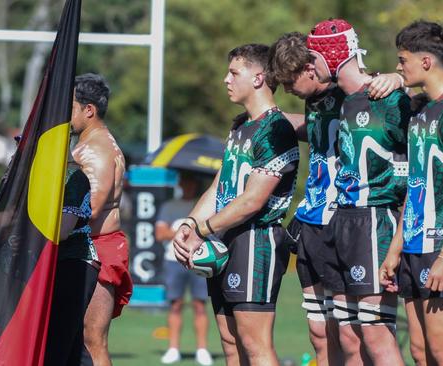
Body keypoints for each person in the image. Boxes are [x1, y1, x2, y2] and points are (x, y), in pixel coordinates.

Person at [266, 31, 404, 366]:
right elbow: (314, 129)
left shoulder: (360, 91)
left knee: (361, 334)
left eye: (289, 82)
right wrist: (264, 119)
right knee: (323, 332)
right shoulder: (314, 99)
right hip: (314, 221)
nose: (286, 90)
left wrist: (398, 78)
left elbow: (413, 105)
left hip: (351, 218)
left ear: (310, 70)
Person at [173, 44, 299, 366]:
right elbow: (219, 187)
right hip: (225, 237)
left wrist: (203, 229)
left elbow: (252, 200)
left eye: (233, 72)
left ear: (258, 78)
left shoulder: (276, 129)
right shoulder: (240, 126)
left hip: (257, 240)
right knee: (230, 343)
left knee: (254, 343)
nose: (225, 79)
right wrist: (188, 224)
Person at [305, 19, 410, 365]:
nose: (310, 66)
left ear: (331, 56)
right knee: (350, 338)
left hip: (374, 218)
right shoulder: (340, 100)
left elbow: (431, 118)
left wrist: (401, 79)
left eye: (313, 58)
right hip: (343, 220)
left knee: (377, 335)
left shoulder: (387, 97)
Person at [380, 20, 443, 365]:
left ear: (426, 62)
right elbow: (416, 186)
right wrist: (396, 249)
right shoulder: (422, 110)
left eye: (403, 59)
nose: (399, 67)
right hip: (413, 245)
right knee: (421, 352)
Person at [71, 73, 133, 366]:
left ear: (89, 110)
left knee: (91, 338)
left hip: (98, 248)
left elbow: (89, 209)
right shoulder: (91, 144)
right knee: (76, 339)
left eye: (69, 107)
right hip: (89, 247)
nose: (64, 115)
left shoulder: (95, 149)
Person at [45, 161, 100, 366]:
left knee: (58, 347)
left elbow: (62, 231)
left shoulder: (74, 177)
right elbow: (8, 218)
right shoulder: (36, 174)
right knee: (72, 352)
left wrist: (21, 227)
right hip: (49, 265)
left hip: (75, 263)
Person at [157, 172, 213, 365]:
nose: (187, 186)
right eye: (185, 181)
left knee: (199, 305)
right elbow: (160, 233)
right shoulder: (169, 206)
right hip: (173, 260)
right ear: (180, 183)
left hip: (199, 262)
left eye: (191, 182)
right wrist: (183, 230)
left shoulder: (203, 206)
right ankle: (173, 349)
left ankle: (202, 350)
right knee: (176, 304)